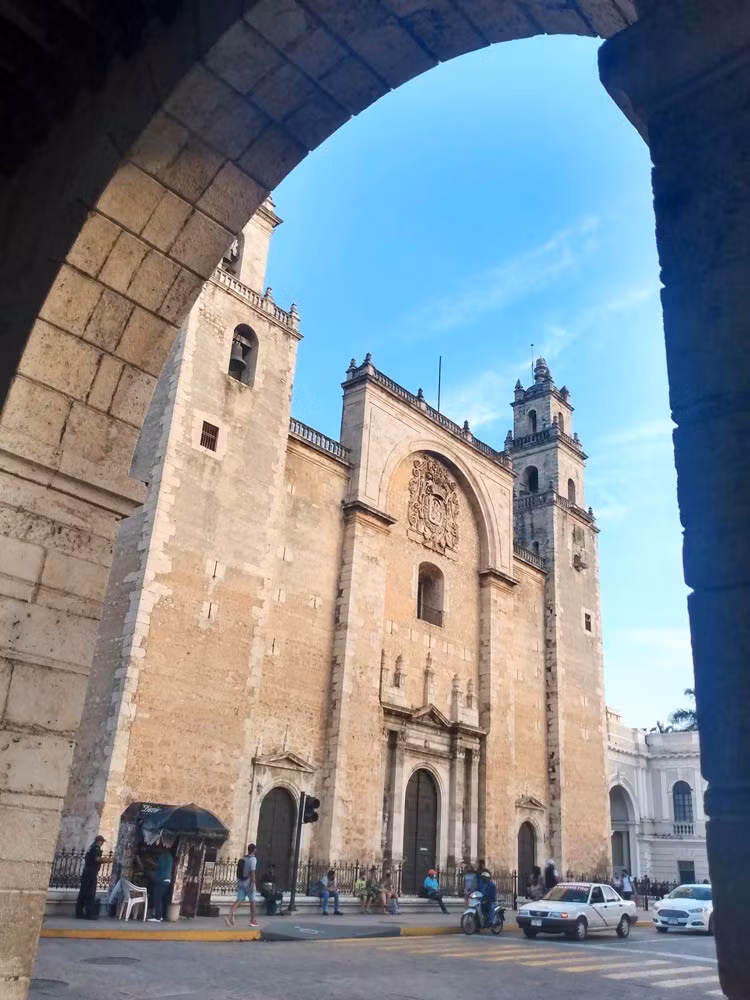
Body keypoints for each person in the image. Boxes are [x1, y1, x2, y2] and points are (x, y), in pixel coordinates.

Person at [225, 843, 257, 927]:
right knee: (252, 901)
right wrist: (252, 884)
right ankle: (253, 920)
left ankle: (229, 915)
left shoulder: (243, 858)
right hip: (248, 882)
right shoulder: (253, 859)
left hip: (241, 881)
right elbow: (252, 872)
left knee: (239, 899)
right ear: (254, 850)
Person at [76, 835, 105, 920]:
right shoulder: (95, 848)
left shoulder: (91, 847)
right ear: (99, 841)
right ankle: (89, 914)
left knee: (83, 893)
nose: (102, 844)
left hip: (87, 873)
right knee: (90, 894)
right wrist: (107, 860)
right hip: (91, 874)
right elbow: (97, 859)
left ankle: (79, 912)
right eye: (102, 842)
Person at [148, 849, 173, 922]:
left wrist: (151, 862)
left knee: (157, 899)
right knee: (162, 899)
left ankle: (157, 917)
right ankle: (161, 915)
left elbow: (159, 866)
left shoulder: (164, 856)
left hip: (161, 879)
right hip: (167, 880)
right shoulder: (170, 857)